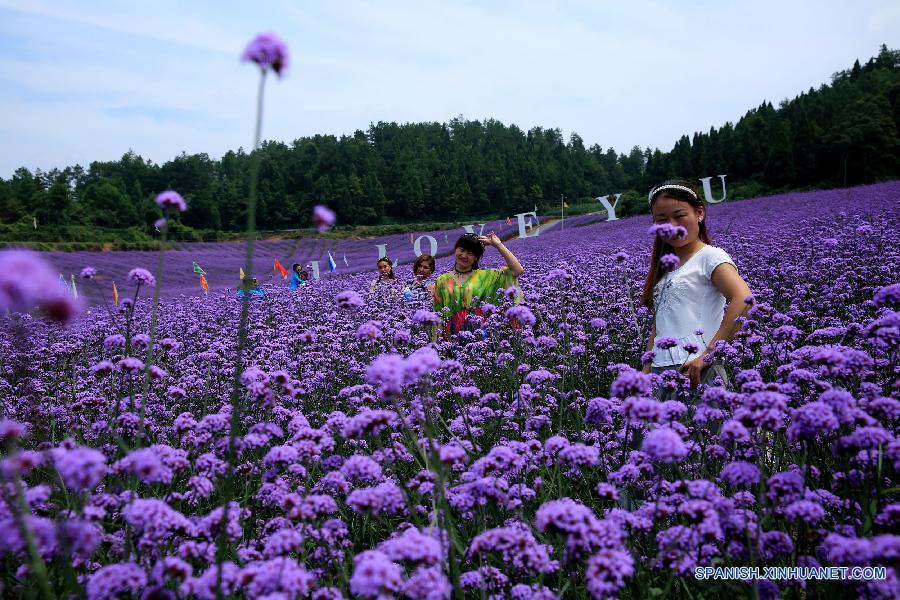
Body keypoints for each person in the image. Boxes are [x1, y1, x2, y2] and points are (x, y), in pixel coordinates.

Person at [639, 178, 752, 391]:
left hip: (696, 370)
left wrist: (710, 353)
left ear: (699, 213)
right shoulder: (666, 268)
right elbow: (659, 325)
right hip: (659, 373)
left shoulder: (710, 256)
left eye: (679, 216)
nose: (671, 226)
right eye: (661, 219)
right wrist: (646, 368)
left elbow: (744, 300)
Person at [432, 232, 524, 338]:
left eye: (471, 253)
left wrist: (498, 245)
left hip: (481, 334)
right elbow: (437, 314)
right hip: (451, 336)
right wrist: (436, 344)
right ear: (455, 249)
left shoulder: (486, 276)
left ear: (476, 257)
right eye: (462, 250)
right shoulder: (442, 280)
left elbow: (517, 270)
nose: (464, 255)